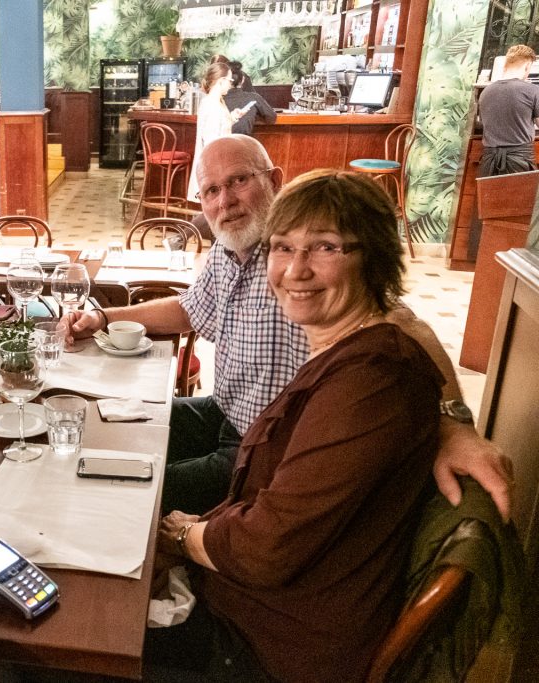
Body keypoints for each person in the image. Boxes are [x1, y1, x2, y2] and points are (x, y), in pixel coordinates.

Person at [63, 134, 512, 521]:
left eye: (239, 180)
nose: (226, 201)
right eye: (211, 190)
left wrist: (455, 425)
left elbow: (403, 325)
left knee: (133, 485)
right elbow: (190, 308)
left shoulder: (295, 259)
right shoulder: (227, 248)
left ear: (274, 180)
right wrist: (104, 318)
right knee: (106, 427)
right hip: (224, 411)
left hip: (268, 446)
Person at [149, 169, 443, 681]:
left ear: (373, 257)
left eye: (324, 247)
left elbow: (267, 547)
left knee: (43, 649)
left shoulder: (371, 380)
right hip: (247, 604)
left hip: (269, 647)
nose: (295, 270)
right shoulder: (337, 354)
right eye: (282, 248)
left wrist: (182, 539)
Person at [478, 44, 539, 177]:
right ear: (527, 66)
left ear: (506, 65)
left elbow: (485, 123)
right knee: (521, 198)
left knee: (490, 198)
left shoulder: (485, 92)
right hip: (519, 162)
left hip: (489, 163)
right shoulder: (533, 91)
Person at [186, 62, 241, 201]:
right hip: (214, 164)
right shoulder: (213, 105)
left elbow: (217, 128)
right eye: (230, 80)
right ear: (221, 81)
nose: (230, 84)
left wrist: (232, 118)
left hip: (213, 163)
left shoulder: (212, 101)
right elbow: (211, 141)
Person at [225, 60, 276, 136]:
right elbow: (271, 118)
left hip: (217, 144)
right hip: (244, 143)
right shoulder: (253, 97)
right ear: (243, 80)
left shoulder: (216, 98)